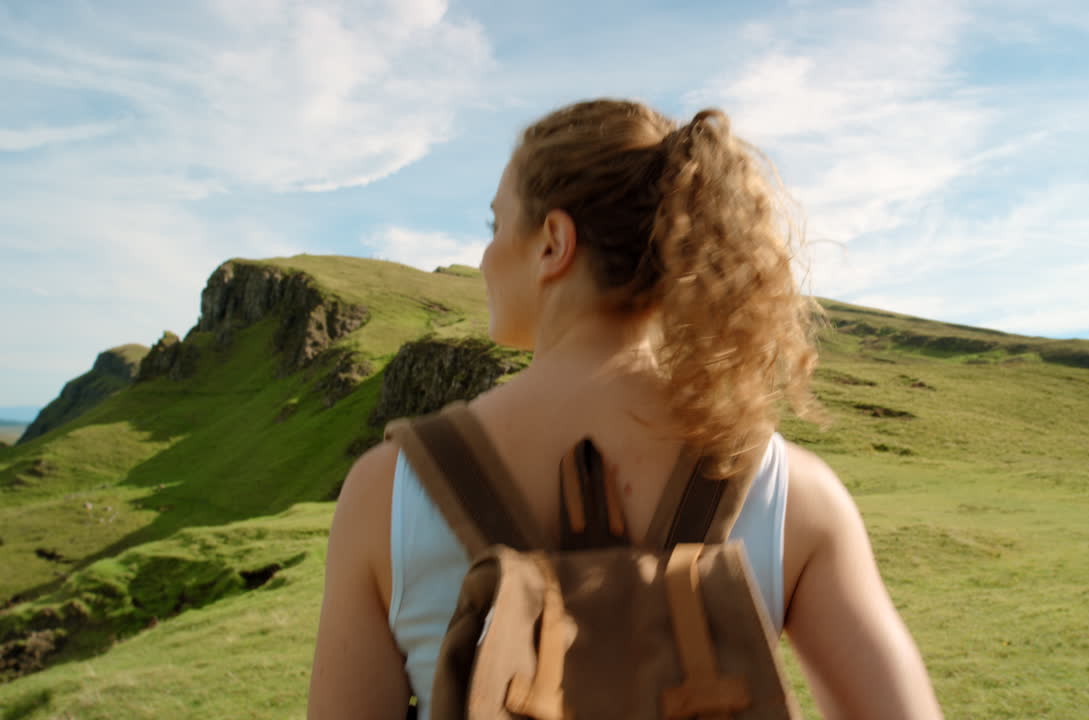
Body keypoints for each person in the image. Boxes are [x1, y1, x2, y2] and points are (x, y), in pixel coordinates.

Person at [308, 99, 944, 719]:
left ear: (553, 242)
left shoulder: (386, 491)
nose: (483, 258)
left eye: (495, 226)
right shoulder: (794, 493)